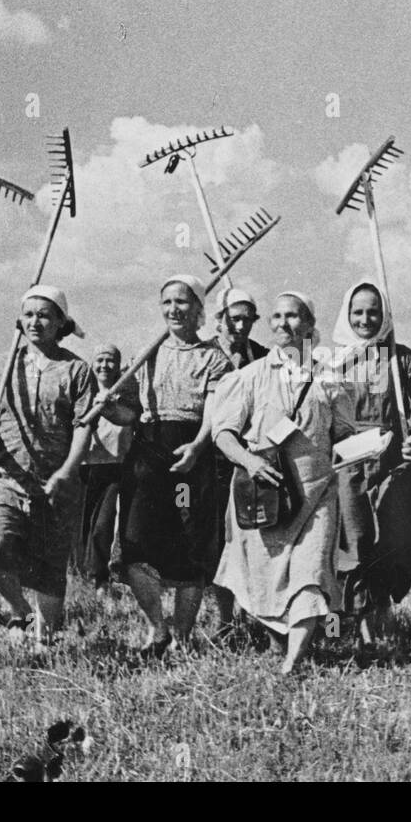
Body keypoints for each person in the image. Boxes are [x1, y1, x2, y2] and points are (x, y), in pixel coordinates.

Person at [212, 291, 357, 673]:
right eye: (275, 316)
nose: (283, 323)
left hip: (316, 494)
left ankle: (293, 661)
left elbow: (343, 435)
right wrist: (249, 462)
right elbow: (223, 433)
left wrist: (364, 447)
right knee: (266, 581)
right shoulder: (248, 377)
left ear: (309, 325)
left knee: (310, 574)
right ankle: (285, 647)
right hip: (266, 493)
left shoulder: (331, 379)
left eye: (293, 316)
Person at [0, 285, 109, 645]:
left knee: (49, 570)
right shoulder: (3, 365)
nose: (35, 321)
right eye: (28, 314)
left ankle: (44, 637)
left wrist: (66, 471)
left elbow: (84, 427)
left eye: (45, 315)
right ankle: (20, 612)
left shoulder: (75, 370)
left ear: (61, 322)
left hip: (56, 483)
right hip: (7, 476)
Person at [117, 275, 231, 654]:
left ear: (198, 310)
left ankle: (182, 637)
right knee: (134, 547)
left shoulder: (215, 358)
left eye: (182, 302)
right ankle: (158, 630)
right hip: (148, 457)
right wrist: (107, 404)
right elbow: (129, 411)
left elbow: (215, 415)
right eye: (167, 302)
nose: (174, 309)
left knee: (188, 547)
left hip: (190, 461)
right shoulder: (146, 352)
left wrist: (197, 448)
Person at [331, 279, 411, 644]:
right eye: (358, 312)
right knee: (356, 540)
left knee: (394, 540)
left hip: (394, 463)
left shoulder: (403, 359)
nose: (366, 318)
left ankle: (384, 610)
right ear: (347, 314)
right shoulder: (334, 362)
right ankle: (361, 623)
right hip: (349, 464)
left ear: (385, 314)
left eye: (373, 311)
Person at [208, 288, 267, 637]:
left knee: (252, 536)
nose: (241, 324)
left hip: (249, 460)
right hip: (210, 462)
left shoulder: (261, 357)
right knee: (218, 540)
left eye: (248, 318)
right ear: (220, 319)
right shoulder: (205, 353)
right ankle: (225, 618)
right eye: (234, 317)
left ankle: (255, 613)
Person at [74, 343, 132, 599]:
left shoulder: (127, 391)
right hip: (86, 465)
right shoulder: (84, 391)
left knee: (104, 524)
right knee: (83, 526)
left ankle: (102, 580)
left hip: (116, 466)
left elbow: (130, 416)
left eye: (110, 360)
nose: (104, 365)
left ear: (118, 365)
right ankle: (85, 576)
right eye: (99, 360)